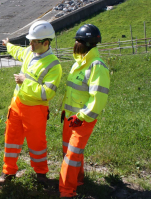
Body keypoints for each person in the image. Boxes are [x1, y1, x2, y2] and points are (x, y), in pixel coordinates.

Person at [0, 20, 62, 186]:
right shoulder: (29, 52)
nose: (30, 44)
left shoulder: (54, 65)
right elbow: (17, 51)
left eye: (34, 41)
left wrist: (25, 81)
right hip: (17, 104)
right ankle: (8, 171)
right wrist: (8, 44)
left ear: (46, 43)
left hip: (35, 110)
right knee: (11, 139)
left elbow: (47, 93)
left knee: (37, 143)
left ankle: (41, 174)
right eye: (30, 40)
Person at [59, 24, 110, 198]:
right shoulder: (78, 63)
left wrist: (82, 116)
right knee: (69, 151)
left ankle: (66, 191)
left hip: (82, 120)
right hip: (70, 117)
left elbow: (98, 98)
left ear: (87, 43)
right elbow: (72, 90)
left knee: (71, 156)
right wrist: (65, 110)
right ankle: (79, 179)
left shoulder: (97, 66)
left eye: (78, 41)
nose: (75, 43)